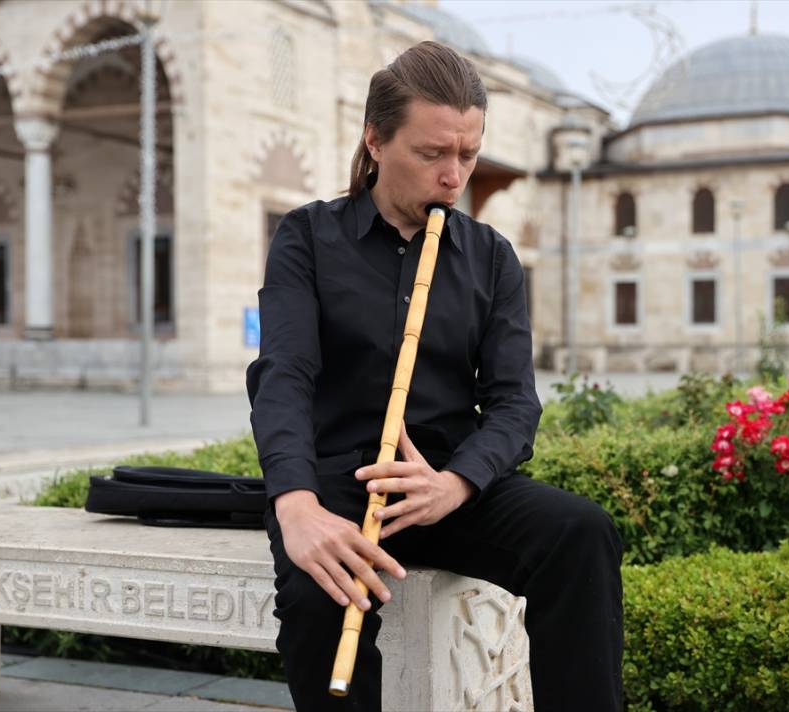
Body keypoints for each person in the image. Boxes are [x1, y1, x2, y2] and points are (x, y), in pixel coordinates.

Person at [246, 41, 623, 711]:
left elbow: (514, 405)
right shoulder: (306, 238)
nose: (454, 176)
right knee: (316, 599)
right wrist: (296, 505)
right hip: (337, 484)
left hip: (446, 481)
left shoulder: (491, 257)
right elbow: (284, 376)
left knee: (581, 533)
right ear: (375, 139)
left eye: (468, 155)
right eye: (432, 154)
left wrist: (456, 483)